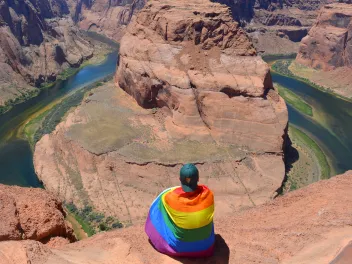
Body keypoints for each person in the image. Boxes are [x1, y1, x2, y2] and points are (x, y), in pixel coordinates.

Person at [145, 163, 215, 257]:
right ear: (198, 179)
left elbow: (164, 196)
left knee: (160, 206)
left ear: (179, 179)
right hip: (205, 247)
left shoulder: (169, 198)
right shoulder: (209, 195)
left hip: (179, 248)